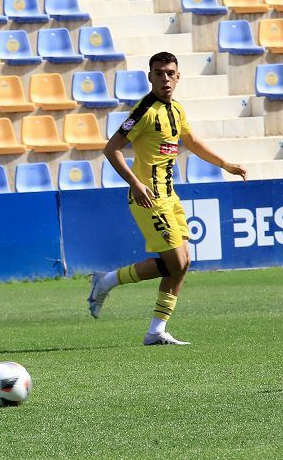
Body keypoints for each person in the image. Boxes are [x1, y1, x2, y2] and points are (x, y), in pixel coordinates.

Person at [88, 52, 247, 344]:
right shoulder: (143, 111)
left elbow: (193, 142)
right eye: (159, 73)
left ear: (178, 76)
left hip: (170, 196)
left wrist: (226, 164)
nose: (165, 78)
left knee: (183, 263)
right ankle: (107, 281)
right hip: (148, 198)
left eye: (170, 73)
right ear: (150, 77)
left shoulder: (176, 110)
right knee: (176, 263)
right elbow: (112, 148)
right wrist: (135, 183)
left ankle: (156, 331)